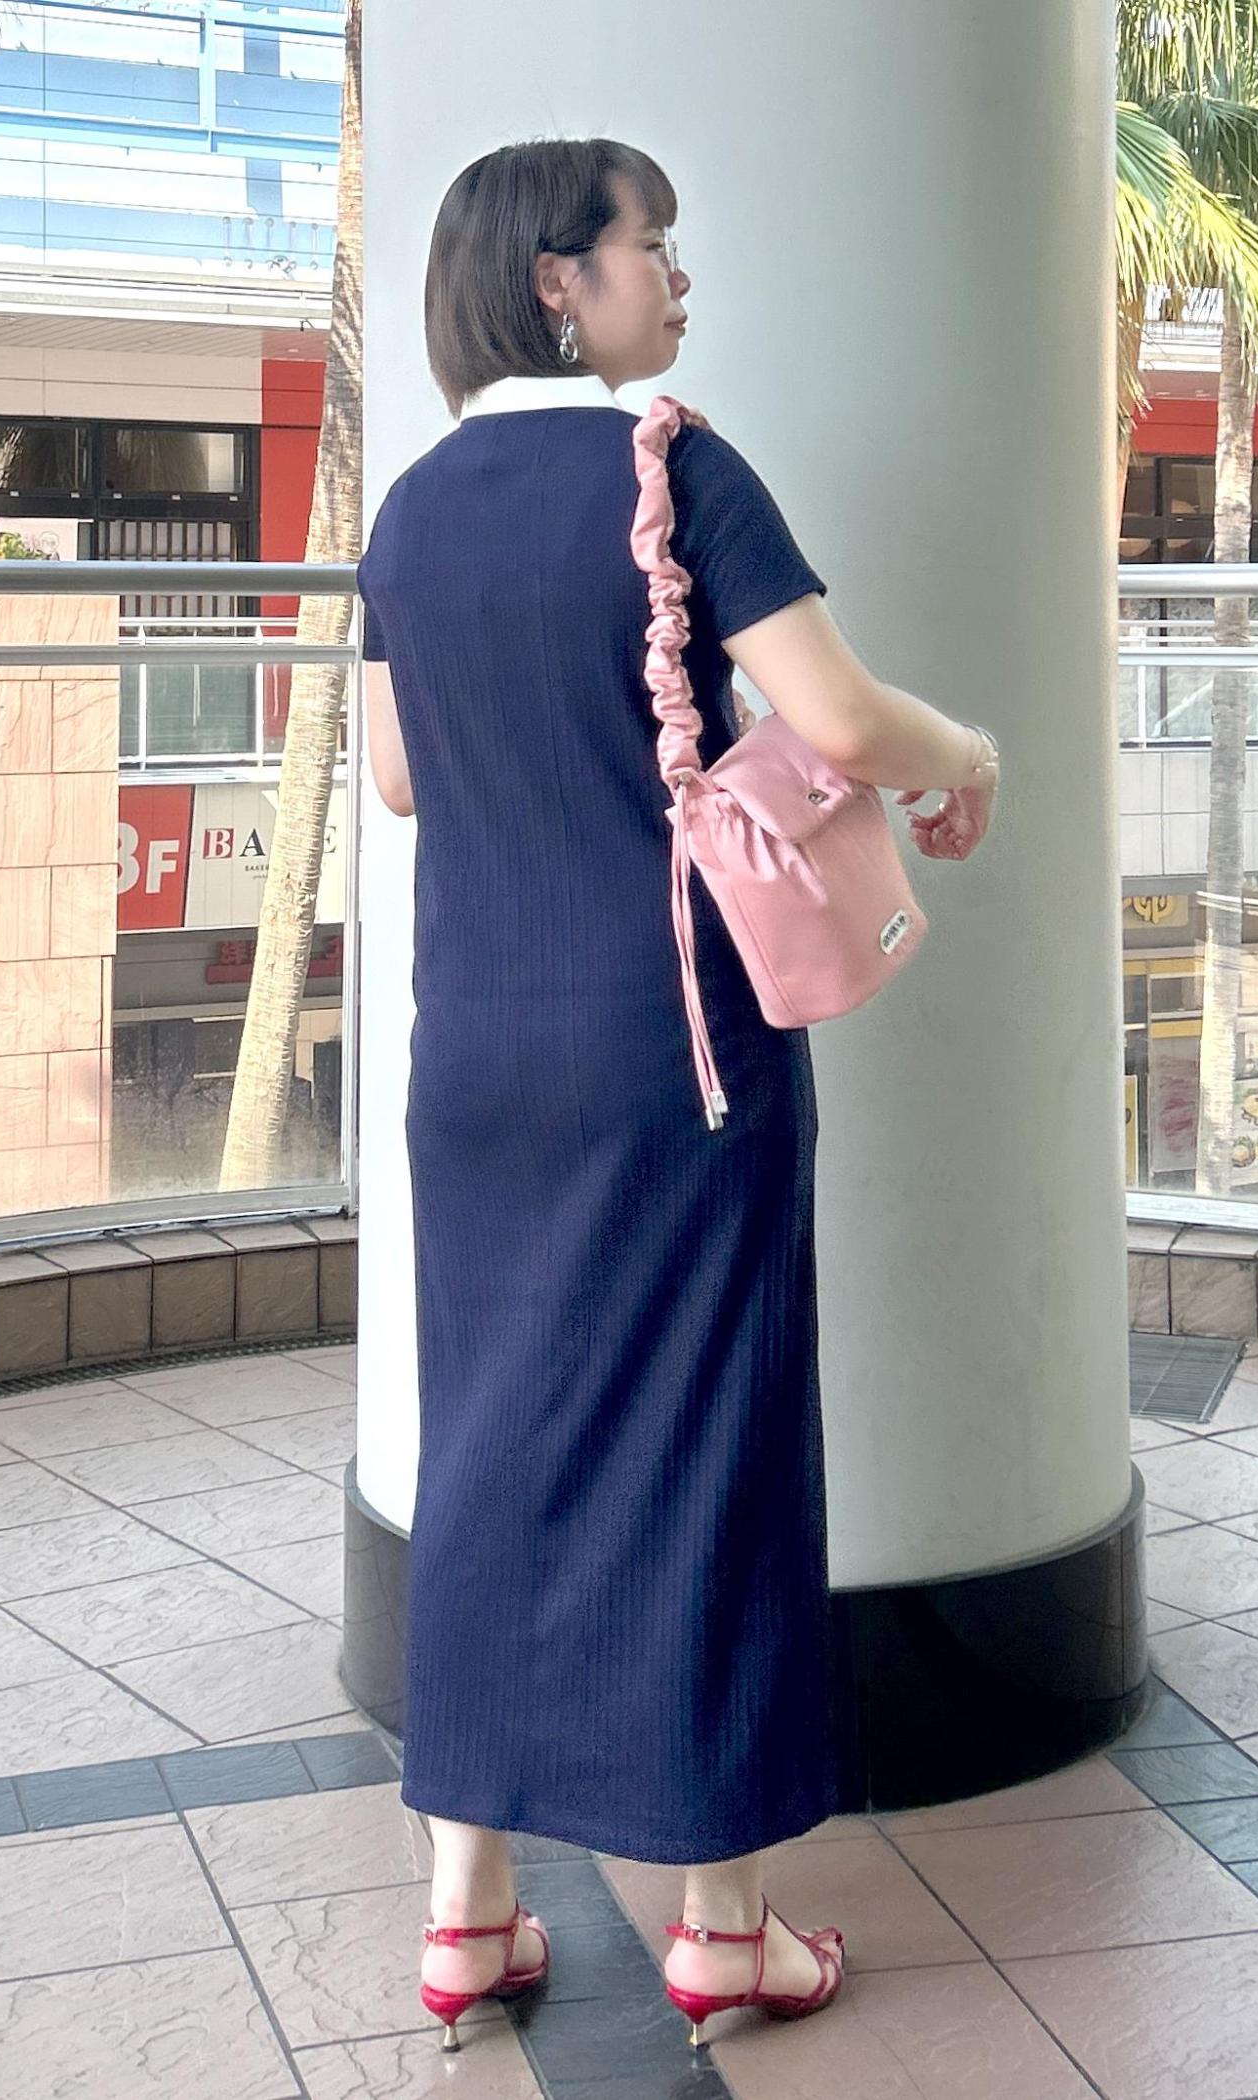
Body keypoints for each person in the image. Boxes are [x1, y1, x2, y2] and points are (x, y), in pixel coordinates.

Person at [356, 137, 1000, 2053]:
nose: (679, 276)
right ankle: (720, 1924)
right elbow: (845, 718)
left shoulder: (413, 506)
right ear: (560, 282)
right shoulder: (674, 469)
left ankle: (468, 1911)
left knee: (486, 1443)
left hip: (476, 1055)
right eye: (653, 244)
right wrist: (976, 752)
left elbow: (398, 780)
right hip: (675, 1057)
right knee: (705, 1444)